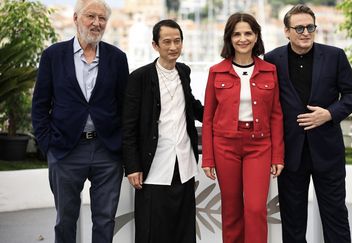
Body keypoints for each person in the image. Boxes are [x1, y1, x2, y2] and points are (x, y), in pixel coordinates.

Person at [31, 0, 129, 242]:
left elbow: (126, 107)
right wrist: (48, 147)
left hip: (107, 152)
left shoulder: (117, 58)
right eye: (90, 16)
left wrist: (123, 147)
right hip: (65, 150)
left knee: (105, 220)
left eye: (102, 18)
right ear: (76, 19)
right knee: (65, 219)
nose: (96, 23)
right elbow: (40, 105)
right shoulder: (53, 55)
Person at [264, 4, 352, 243]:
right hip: (290, 154)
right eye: (299, 28)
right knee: (293, 221)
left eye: (310, 27)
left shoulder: (335, 55)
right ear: (286, 31)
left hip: (328, 151)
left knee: (335, 215)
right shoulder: (271, 59)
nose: (305, 32)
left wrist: (329, 113)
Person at [202, 12, 285, 243]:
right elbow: (208, 118)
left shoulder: (269, 70)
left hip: (259, 146)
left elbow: (276, 115)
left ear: (256, 36)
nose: (243, 39)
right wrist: (207, 158)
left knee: (256, 208)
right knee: (231, 210)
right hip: (225, 145)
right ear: (229, 38)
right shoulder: (216, 71)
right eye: (237, 34)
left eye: (248, 33)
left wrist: (277, 155)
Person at [122, 19, 203, 243]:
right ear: (155, 45)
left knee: (183, 228)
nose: (173, 47)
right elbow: (128, 126)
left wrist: (222, 115)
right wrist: (132, 166)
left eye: (177, 41)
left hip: (183, 163)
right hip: (153, 166)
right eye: (166, 41)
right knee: (152, 231)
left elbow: (192, 105)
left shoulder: (184, 72)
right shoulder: (139, 78)